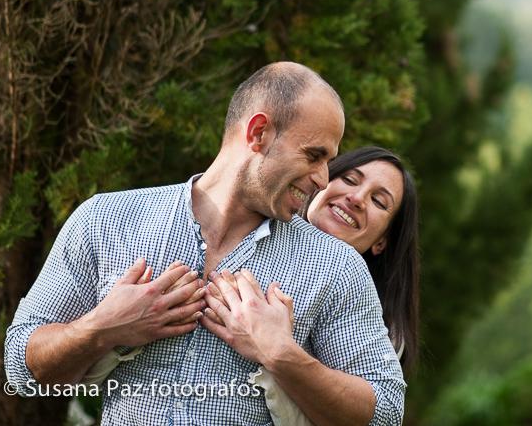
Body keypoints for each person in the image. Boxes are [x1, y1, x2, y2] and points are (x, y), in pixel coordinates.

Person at [4, 62, 404, 425]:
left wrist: (281, 354)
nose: (322, 178)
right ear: (259, 132)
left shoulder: (335, 267)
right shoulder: (107, 220)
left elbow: (385, 413)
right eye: (314, 155)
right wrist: (102, 328)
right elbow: (21, 370)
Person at [82, 146, 420, 426]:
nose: (357, 198)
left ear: (382, 242)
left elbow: (379, 413)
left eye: (379, 201)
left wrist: (277, 352)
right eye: (349, 179)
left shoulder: (377, 329)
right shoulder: (227, 239)